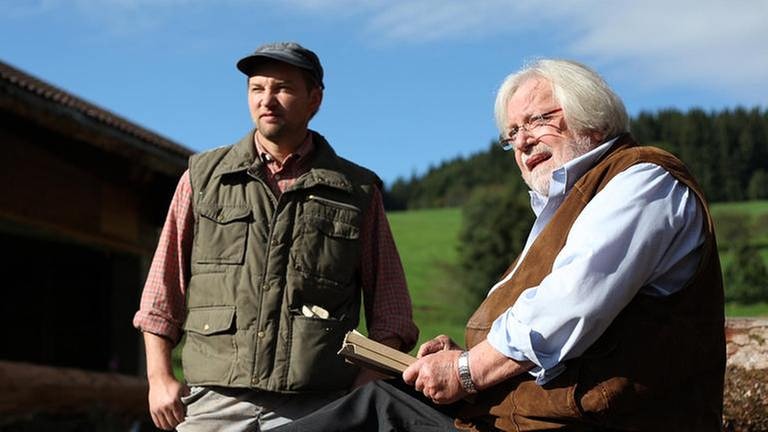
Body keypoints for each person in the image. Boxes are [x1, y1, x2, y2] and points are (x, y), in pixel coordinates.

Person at [272, 59, 726, 432]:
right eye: (512, 134)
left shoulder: (643, 182)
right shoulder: (567, 206)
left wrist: (466, 370)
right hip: (526, 419)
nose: (523, 141)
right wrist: (459, 356)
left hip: (610, 423)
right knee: (379, 402)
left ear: (592, 114)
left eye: (539, 120)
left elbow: (564, 309)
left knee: (376, 414)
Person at [132, 41, 418, 431]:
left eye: (283, 88)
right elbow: (162, 291)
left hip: (316, 406)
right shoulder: (203, 178)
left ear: (314, 99)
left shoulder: (358, 191)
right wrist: (158, 378)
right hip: (214, 402)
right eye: (257, 88)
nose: (267, 100)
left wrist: (363, 386)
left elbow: (393, 312)